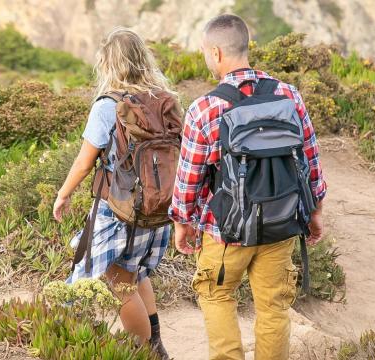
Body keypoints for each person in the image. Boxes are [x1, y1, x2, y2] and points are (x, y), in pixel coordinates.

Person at [169, 14, 327, 360]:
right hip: (282, 222)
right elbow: (310, 162)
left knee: (216, 295)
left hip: (227, 230)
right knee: (273, 307)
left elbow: (189, 180)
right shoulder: (289, 95)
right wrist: (314, 213)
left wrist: (183, 223)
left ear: (216, 53)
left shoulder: (204, 109)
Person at [53, 27, 180, 359]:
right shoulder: (164, 98)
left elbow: (84, 161)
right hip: (159, 205)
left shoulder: (109, 104)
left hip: (121, 207)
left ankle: (143, 353)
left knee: (118, 282)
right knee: (134, 272)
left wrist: (63, 194)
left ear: (107, 64)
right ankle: (157, 346)